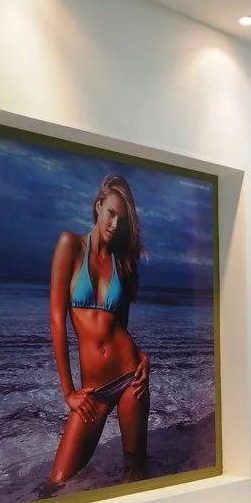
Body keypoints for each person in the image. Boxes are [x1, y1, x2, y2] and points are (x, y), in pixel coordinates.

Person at [48, 174, 150, 486]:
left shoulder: (123, 262)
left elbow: (120, 325)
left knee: (135, 469)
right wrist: (69, 392)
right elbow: (57, 321)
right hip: (94, 391)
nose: (115, 224)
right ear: (98, 206)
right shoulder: (70, 245)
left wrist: (141, 355)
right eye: (111, 213)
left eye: (122, 219)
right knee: (57, 483)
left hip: (130, 376)